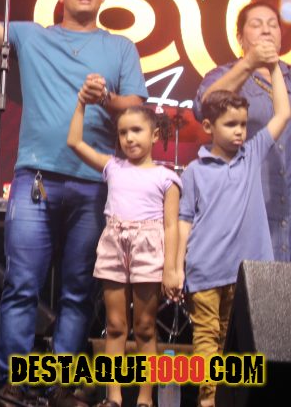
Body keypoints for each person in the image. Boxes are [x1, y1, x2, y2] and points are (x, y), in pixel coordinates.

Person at [0, 0, 148, 407]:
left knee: (78, 289)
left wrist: (107, 98)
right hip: (36, 178)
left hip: (95, 182)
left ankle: (59, 385)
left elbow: (137, 107)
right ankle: (14, 381)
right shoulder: (31, 35)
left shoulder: (120, 47)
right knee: (21, 283)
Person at [176, 71, 290, 407]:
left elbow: (283, 113)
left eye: (242, 124)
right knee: (206, 337)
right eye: (230, 124)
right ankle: (207, 399)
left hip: (245, 274)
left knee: (235, 341)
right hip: (206, 269)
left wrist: (272, 67)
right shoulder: (195, 171)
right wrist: (176, 267)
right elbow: (184, 221)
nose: (239, 131)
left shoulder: (251, 155)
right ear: (209, 126)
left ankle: (228, 398)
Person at [67, 101, 181, 407]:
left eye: (137, 130)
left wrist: (171, 269)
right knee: (116, 325)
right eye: (123, 132)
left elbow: (172, 226)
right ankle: (113, 397)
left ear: (154, 134)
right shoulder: (112, 167)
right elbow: (74, 142)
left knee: (145, 327)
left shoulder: (166, 178)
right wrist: (81, 104)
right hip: (115, 246)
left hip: (148, 249)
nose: (129, 138)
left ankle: (145, 399)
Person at [195, 0, 291, 261]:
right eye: (257, 24)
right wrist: (249, 63)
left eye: (273, 25)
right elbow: (205, 108)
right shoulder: (224, 74)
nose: (266, 30)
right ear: (240, 37)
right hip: (246, 210)